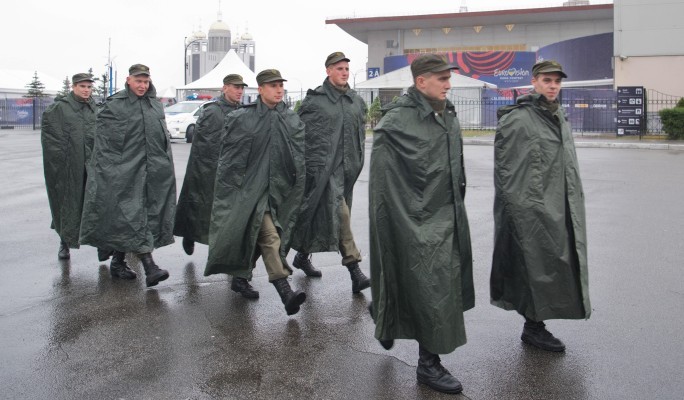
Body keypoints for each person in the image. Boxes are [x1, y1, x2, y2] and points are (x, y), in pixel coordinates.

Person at [368, 54, 474, 395]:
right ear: (420, 81)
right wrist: (406, 225)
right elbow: (382, 189)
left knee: (438, 287)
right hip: (416, 221)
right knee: (432, 288)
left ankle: (385, 313)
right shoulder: (396, 122)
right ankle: (428, 364)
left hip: (448, 216)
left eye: (448, 77)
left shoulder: (447, 114)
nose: (448, 84)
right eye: (441, 78)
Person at [490, 60, 591, 352]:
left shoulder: (557, 115)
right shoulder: (519, 119)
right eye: (547, 80)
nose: (553, 86)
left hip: (559, 203)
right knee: (533, 265)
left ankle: (534, 324)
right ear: (534, 82)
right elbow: (507, 172)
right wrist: (522, 209)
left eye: (557, 81)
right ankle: (534, 326)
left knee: (553, 265)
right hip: (532, 208)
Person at [205, 69, 307, 316]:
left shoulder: (290, 118)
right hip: (250, 192)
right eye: (273, 86)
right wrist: (234, 191)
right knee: (270, 237)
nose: (279, 90)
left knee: (258, 238)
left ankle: (240, 278)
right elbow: (229, 160)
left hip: (278, 192)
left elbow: (297, 156)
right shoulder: (242, 118)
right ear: (260, 89)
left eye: (281, 85)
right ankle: (285, 292)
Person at [80, 64, 176, 287]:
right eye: (138, 81)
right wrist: (109, 173)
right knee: (133, 216)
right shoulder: (115, 105)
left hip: (153, 174)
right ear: (128, 80)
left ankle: (117, 262)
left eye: (146, 81)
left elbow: (162, 141)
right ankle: (150, 267)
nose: (142, 85)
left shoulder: (154, 105)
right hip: (124, 175)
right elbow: (102, 144)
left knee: (139, 217)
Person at [290, 51, 370, 294]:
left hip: (348, 172)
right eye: (339, 69)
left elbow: (359, 135)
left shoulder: (356, 101)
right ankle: (354, 269)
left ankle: (302, 256)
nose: (344, 73)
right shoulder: (315, 101)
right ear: (328, 71)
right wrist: (311, 168)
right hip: (323, 172)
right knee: (340, 215)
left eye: (346, 69)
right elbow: (301, 134)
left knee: (323, 215)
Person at [174, 74, 249, 288]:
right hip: (210, 170)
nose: (239, 91)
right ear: (225, 88)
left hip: (235, 174)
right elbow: (205, 144)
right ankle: (190, 234)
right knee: (201, 209)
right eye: (235, 87)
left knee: (231, 220)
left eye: (241, 88)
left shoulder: (243, 112)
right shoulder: (212, 111)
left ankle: (233, 266)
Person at [41, 73, 107, 260]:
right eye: (82, 86)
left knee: (97, 204)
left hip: (92, 165)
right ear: (73, 87)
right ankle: (65, 242)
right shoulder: (60, 108)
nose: (86, 90)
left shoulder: (95, 108)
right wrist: (62, 161)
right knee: (68, 204)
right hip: (70, 167)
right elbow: (51, 138)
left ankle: (102, 245)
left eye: (89, 87)